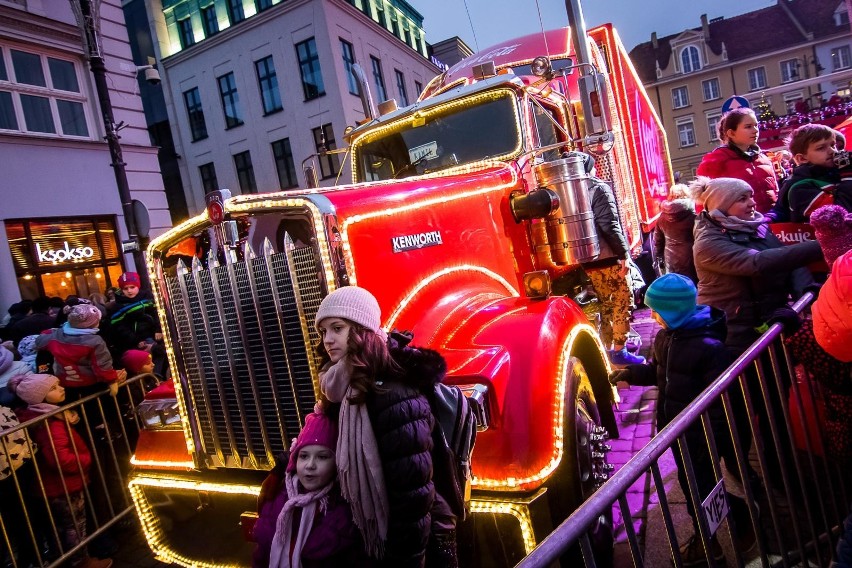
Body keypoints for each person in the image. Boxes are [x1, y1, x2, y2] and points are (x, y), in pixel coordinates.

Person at [610, 274, 756, 564]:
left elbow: (719, 402)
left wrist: (710, 439)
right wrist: (631, 374)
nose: (652, 315)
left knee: (698, 488)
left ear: (674, 311)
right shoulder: (667, 337)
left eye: (657, 311)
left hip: (699, 435)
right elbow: (659, 372)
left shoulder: (709, 348)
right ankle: (730, 523)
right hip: (677, 430)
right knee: (696, 487)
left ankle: (710, 542)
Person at [690, 175, 823, 491]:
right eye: (743, 198)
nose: (752, 203)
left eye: (751, 196)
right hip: (735, 337)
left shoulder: (758, 226)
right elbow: (760, 263)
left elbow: (789, 265)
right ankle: (741, 473)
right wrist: (820, 244)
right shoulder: (708, 243)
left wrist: (806, 289)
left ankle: (783, 474)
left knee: (776, 405)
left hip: (770, 328)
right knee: (739, 412)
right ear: (723, 205)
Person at [314, 286, 458, 567]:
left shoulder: (392, 392)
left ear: (360, 330)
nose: (328, 340)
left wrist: (406, 560)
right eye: (323, 332)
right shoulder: (344, 384)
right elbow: (324, 440)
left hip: (417, 543)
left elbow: (414, 497)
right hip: (383, 538)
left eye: (337, 328)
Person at [8, 374, 112, 568]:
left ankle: (65, 559)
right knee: (74, 526)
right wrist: (86, 460)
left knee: (60, 528)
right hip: (63, 485)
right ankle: (81, 561)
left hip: (51, 486)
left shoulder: (39, 416)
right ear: (41, 398)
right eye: (54, 388)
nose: (61, 388)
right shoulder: (51, 424)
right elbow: (60, 458)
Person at [253, 412, 367, 567]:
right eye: (304, 456)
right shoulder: (276, 502)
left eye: (322, 457)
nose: (310, 465)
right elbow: (262, 553)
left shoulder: (344, 512)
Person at [570, 151, 645, 366]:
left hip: (588, 259)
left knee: (605, 304)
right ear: (589, 167)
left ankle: (606, 352)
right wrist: (623, 254)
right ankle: (620, 351)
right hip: (609, 256)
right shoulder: (598, 188)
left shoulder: (571, 190)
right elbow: (609, 224)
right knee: (622, 302)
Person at [35, 304, 124, 400]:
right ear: (93, 323)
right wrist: (111, 380)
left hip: (64, 383)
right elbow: (102, 364)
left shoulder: (56, 335)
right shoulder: (95, 341)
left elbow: (39, 341)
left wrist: (47, 332)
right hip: (90, 383)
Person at [697, 108, 778, 214]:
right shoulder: (715, 161)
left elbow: (775, 192)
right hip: (738, 228)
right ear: (731, 133)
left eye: (756, 125)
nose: (755, 130)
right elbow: (704, 205)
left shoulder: (764, 158)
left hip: (772, 224)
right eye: (748, 127)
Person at [779, 124, 852, 222]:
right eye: (821, 148)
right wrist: (848, 176)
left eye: (833, 145)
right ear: (802, 158)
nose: (832, 151)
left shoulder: (836, 174)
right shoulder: (800, 188)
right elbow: (838, 217)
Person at [653, 183, 698, 283]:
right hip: (692, 257)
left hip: (671, 260)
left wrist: (659, 259)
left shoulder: (661, 218)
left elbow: (657, 242)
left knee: (677, 288)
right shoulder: (693, 216)